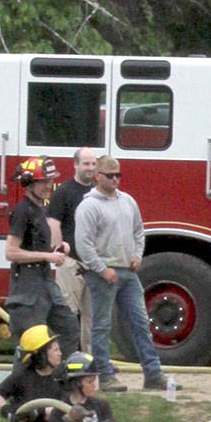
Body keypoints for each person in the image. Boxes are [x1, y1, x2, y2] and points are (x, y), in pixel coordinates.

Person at [74, 156, 167, 393]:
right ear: (97, 176)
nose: (115, 179)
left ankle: (153, 374)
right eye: (110, 175)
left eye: (118, 175)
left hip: (128, 271)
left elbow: (139, 231)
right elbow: (83, 244)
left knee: (141, 323)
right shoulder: (88, 206)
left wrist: (137, 256)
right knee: (101, 326)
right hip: (102, 274)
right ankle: (105, 376)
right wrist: (102, 269)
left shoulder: (128, 201)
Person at [4, 157, 80, 355]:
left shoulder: (39, 209)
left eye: (50, 181)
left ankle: (60, 372)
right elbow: (11, 252)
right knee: (33, 342)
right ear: (29, 183)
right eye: (44, 182)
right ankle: (25, 375)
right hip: (27, 287)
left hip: (45, 283)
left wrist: (56, 250)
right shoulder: (22, 211)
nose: (49, 186)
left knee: (69, 328)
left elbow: (36, 245)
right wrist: (47, 257)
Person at [48, 146, 98, 351]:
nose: (90, 168)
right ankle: (63, 358)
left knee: (92, 319)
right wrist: (60, 253)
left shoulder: (97, 193)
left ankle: (89, 361)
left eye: (93, 164)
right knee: (67, 315)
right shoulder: (64, 192)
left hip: (95, 265)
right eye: (86, 163)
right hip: (71, 263)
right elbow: (53, 222)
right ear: (75, 165)